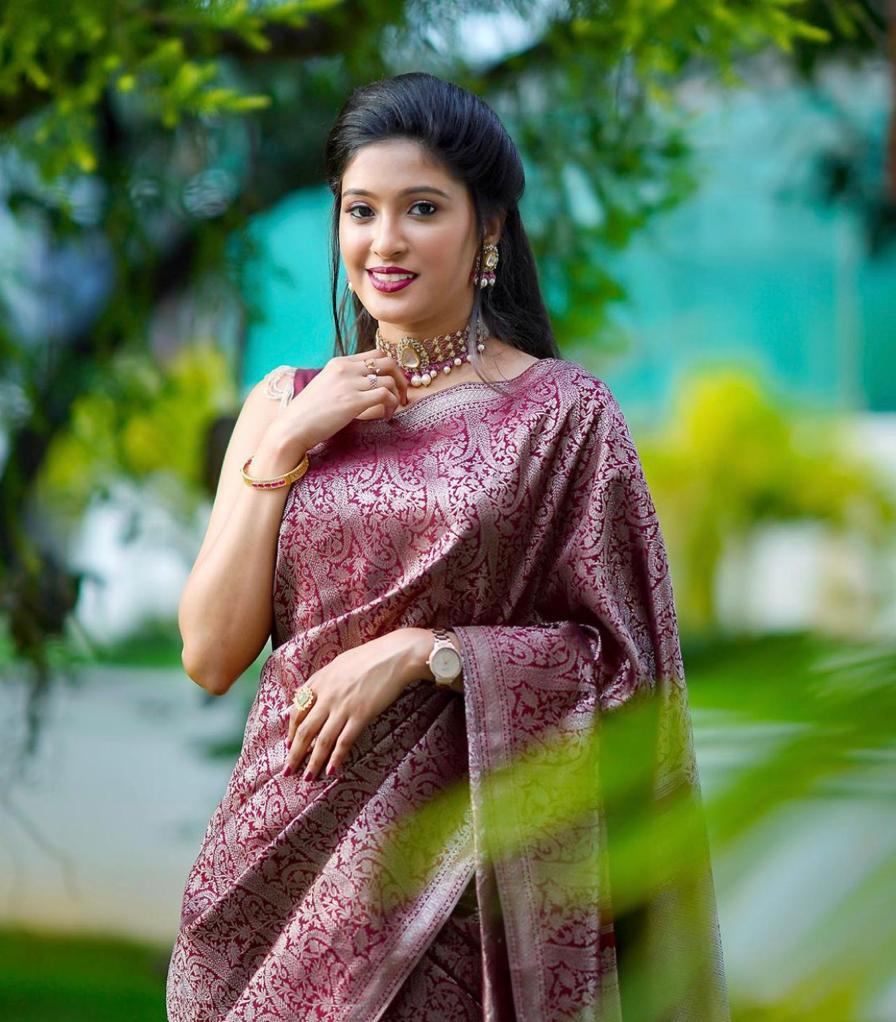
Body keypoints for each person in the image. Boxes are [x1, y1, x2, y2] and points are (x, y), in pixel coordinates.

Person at [166, 72, 730, 1022]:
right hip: (274, 861)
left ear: (489, 231)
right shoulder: (279, 404)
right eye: (361, 210)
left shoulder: (564, 420)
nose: (384, 242)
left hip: (457, 886)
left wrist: (427, 656)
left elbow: (628, 676)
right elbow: (211, 655)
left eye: (421, 209)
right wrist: (291, 441)